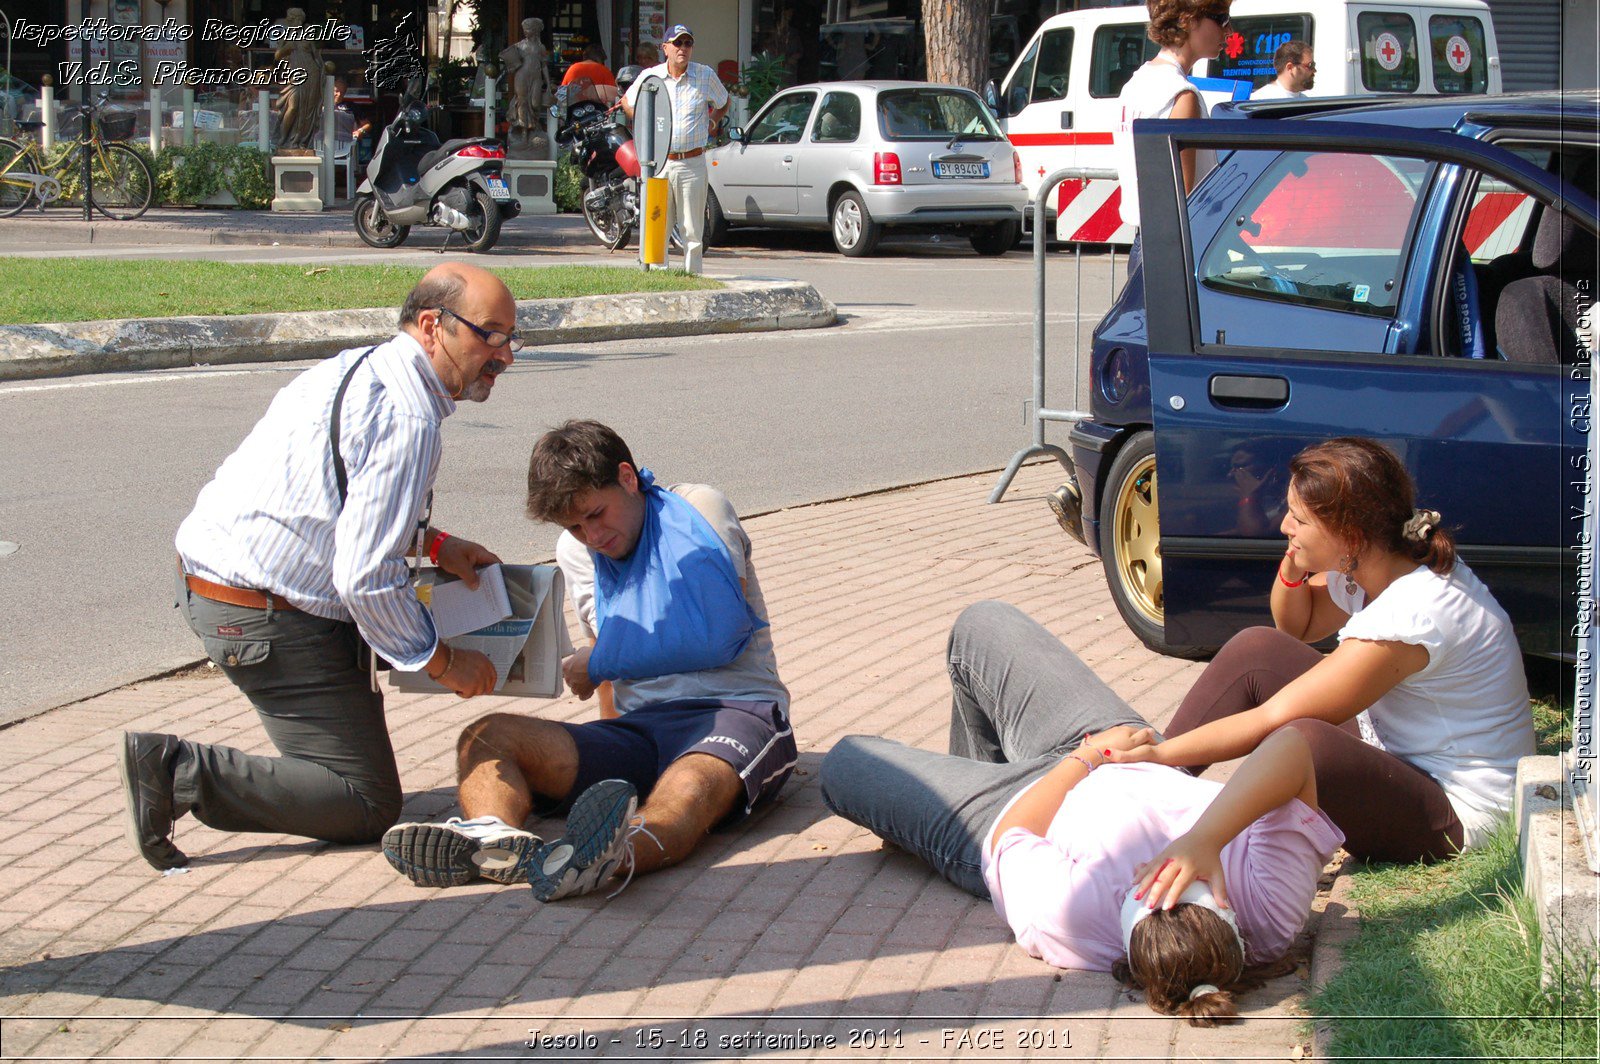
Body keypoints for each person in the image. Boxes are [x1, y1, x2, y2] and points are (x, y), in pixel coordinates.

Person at [119, 264, 521, 872]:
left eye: (512, 337)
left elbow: (335, 502)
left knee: (372, 682)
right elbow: (363, 578)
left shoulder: (357, 365)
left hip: (218, 579)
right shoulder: (410, 419)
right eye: (491, 335)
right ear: (434, 326)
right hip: (261, 615)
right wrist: (442, 662)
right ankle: (178, 773)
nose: (506, 356)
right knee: (365, 801)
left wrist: (434, 544)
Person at [821, 601, 1344, 1024]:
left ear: (1126, 928)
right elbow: (1293, 747)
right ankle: (956, 793)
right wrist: (1205, 836)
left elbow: (1014, 834)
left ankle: (952, 824)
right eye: (1185, 883)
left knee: (846, 763)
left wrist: (1085, 760)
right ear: (1228, 916)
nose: (1163, 872)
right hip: (1133, 753)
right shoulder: (1271, 916)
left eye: (1151, 890)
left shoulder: (1076, 919)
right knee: (981, 622)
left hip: (1017, 806)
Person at [382, 420, 796, 901]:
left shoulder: (698, 508)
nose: (592, 536)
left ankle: (606, 856)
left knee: (688, 787)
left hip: (736, 711)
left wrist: (596, 662)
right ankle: (492, 839)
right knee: (486, 737)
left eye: (596, 515)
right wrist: (608, 759)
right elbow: (610, 656)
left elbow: (715, 632)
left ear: (626, 477)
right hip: (641, 730)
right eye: (575, 526)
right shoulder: (574, 550)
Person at [1108, 437, 1535, 863]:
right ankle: (1151, 793)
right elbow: (1297, 627)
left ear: (1349, 534)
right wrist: (1295, 563)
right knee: (1257, 648)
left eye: (1298, 519)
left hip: (1457, 813)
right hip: (1401, 759)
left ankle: (1191, 834)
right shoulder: (1383, 562)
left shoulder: (1414, 612)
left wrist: (1161, 750)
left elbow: (1272, 718)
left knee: (1303, 742)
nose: (1283, 527)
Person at [1054, 0, 1230, 530]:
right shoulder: (1182, 96)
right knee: (1174, 382)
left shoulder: (1135, 87)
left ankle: (1102, 489)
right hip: (1176, 248)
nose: (1226, 31)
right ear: (1191, 23)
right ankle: (1132, 501)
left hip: (1142, 242)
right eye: (1219, 19)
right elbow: (1187, 194)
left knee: (1139, 375)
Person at [622, 24, 729, 275]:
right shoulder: (652, 77)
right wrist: (642, 125)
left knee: (692, 228)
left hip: (692, 162)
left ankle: (693, 276)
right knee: (657, 223)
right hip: (660, 163)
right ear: (665, 48)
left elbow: (723, 101)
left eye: (687, 44)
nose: (682, 49)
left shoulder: (705, 75)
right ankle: (660, 275)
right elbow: (627, 101)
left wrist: (714, 122)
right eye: (677, 43)